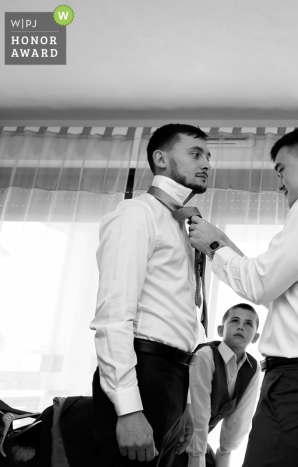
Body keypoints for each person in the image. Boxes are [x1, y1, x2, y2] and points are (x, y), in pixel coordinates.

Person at [187, 125, 298, 467]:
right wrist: (223, 245)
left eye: (281, 169)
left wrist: (213, 247)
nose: (279, 182)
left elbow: (261, 283)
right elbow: (279, 290)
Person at [90, 123, 212, 466]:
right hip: (144, 374)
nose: (206, 163)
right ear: (160, 159)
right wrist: (128, 410)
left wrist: (185, 404)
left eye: (208, 156)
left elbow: (179, 316)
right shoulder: (136, 214)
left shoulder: (182, 225)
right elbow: (113, 315)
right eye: (195, 153)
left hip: (173, 379)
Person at [175, 303, 261, 467]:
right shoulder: (205, 356)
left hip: (199, 439)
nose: (241, 327)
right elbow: (198, 413)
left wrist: (224, 453)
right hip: (178, 436)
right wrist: (197, 457)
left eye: (248, 324)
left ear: (255, 337)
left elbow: (240, 419)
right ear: (221, 330)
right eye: (235, 321)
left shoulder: (253, 368)